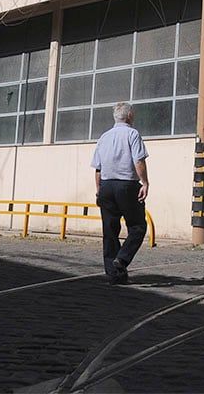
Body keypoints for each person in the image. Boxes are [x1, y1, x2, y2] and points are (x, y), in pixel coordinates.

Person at [90, 101, 150, 284]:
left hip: (106, 186)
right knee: (138, 227)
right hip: (126, 186)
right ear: (130, 116)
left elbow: (97, 168)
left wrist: (99, 190)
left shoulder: (104, 137)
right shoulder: (132, 134)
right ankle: (122, 259)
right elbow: (138, 160)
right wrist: (145, 182)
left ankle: (114, 275)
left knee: (109, 231)